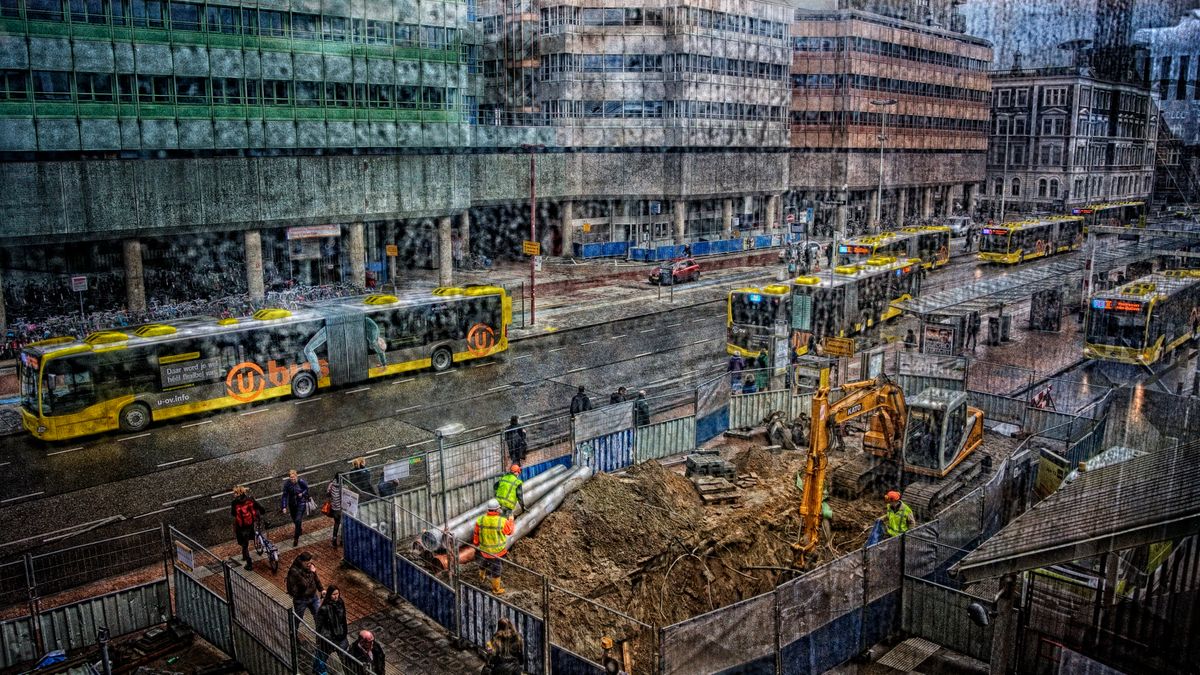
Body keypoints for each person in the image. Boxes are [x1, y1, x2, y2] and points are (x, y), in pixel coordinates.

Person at [473, 499, 515, 594]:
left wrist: (476, 544)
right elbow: (510, 532)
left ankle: (481, 577)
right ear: (497, 510)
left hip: (484, 550)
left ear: (488, 510)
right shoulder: (502, 521)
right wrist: (511, 520)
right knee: (496, 570)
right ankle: (496, 590)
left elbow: (476, 534)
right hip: (496, 553)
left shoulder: (480, 520)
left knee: (483, 564)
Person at [314, 585, 348, 674]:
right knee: (322, 656)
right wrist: (319, 638)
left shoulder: (340, 602)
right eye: (334, 594)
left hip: (340, 636)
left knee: (345, 660)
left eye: (337, 593)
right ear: (329, 595)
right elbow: (319, 625)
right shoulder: (324, 608)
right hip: (328, 638)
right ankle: (319, 670)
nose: (336, 596)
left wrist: (344, 631)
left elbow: (343, 619)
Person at [231, 485, 265, 571]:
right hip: (250, 524)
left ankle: (249, 563)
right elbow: (258, 506)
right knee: (253, 534)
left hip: (241, 526)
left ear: (238, 493)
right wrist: (262, 511)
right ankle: (258, 544)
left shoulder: (234, 502)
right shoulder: (250, 499)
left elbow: (233, 513)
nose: (233, 494)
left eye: (234, 493)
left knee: (244, 544)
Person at [286, 552, 323, 624]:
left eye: (310, 562)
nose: (309, 565)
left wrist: (321, 589)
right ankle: (293, 633)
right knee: (298, 619)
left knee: (319, 617)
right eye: (307, 563)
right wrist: (312, 572)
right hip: (301, 599)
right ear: (302, 562)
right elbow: (305, 584)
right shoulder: (295, 571)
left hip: (313, 596)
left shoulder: (309, 566)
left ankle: (319, 634)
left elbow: (316, 578)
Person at [280, 469, 310, 547]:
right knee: (295, 520)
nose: (292, 479)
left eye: (293, 477)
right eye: (291, 477)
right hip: (292, 504)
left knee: (298, 520)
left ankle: (296, 538)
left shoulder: (301, 481)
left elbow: (306, 489)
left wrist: (302, 493)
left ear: (296, 476)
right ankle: (299, 529)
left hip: (301, 503)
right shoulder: (287, 484)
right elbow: (285, 495)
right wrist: (284, 507)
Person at [326, 473, 343, 548]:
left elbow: (328, 493)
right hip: (341, 508)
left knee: (336, 523)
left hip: (334, 508)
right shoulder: (343, 486)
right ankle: (342, 540)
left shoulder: (331, 484)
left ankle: (334, 539)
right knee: (343, 524)